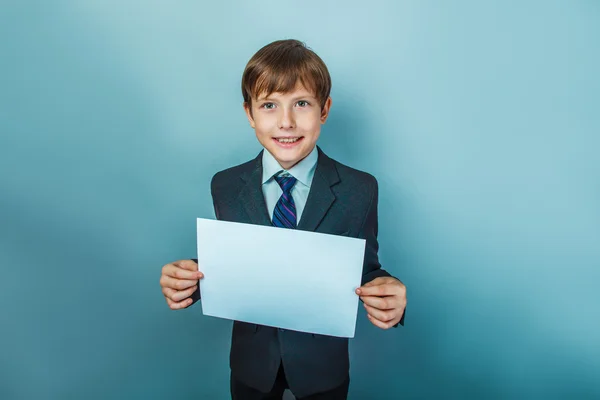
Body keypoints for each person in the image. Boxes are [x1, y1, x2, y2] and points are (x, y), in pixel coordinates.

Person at [159, 39, 407, 400]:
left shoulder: (360, 189)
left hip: (322, 366)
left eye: (302, 104)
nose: (286, 122)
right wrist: (190, 280)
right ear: (250, 113)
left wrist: (390, 292)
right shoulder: (225, 185)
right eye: (270, 105)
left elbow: (365, 269)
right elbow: (236, 263)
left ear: (324, 110)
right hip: (252, 364)